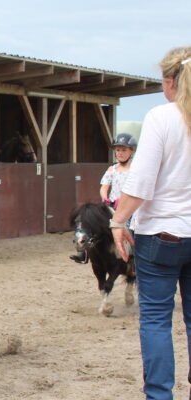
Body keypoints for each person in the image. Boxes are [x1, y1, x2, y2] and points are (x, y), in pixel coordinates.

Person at [112, 46, 191, 400]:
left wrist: (118, 220)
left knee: (157, 319)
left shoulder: (162, 117)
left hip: (162, 235)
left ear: (171, 80)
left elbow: (140, 182)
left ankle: (159, 395)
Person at [69, 132, 137, 263]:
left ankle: (134, 256)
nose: (120, 153)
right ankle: (84, 253)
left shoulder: (135, 169)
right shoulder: (112, 169)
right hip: (113, 206)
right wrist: (105, 198)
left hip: (130, 207)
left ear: (132, 151)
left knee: (133, 228)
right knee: (92, 223)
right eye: (118, 150)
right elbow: (104, 187)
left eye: (124, 150)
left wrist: (125, 201)